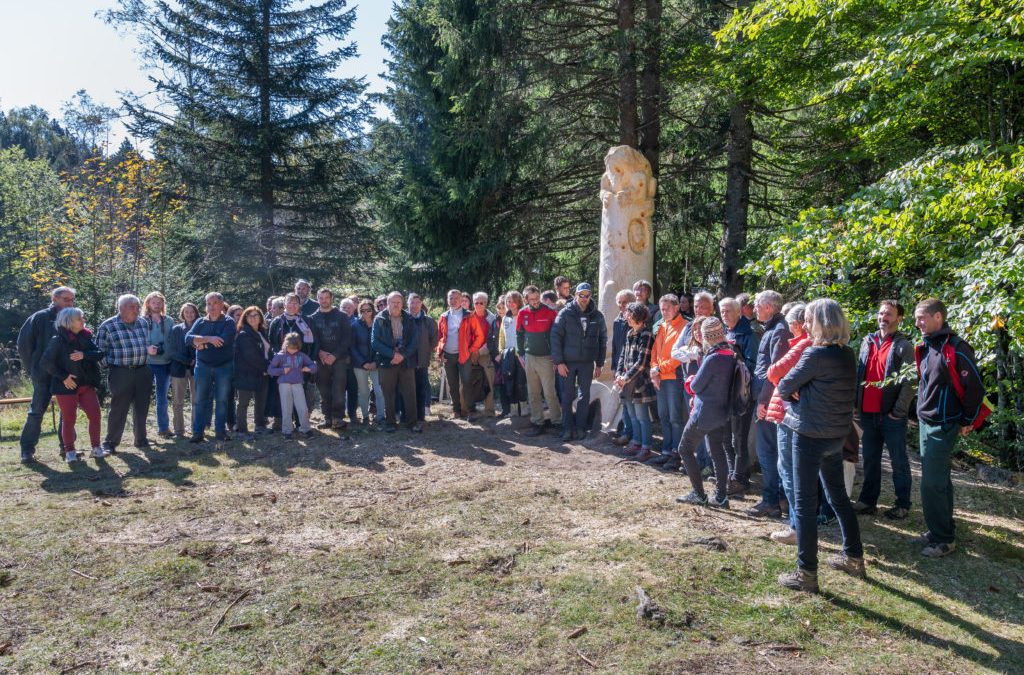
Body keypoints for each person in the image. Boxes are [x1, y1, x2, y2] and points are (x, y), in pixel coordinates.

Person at [776, 298, 863, 593]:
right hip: (836, 435)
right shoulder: (847, 354)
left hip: (810, 435)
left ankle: (807, 574)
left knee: (804, 503)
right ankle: (854, 557)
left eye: (809, 319)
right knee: (838, 496)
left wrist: (802, 393)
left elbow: (785, 385)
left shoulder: (815, 355)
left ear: (820, 323)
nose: (806, 325)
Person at [913, 298, 983, 558]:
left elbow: (975, 388)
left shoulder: (957, 348)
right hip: (925, 421)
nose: (917, 323)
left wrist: (967, 420)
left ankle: (944, 540)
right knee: (938, 480)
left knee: (932, 483)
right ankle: (940, 529)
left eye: (922, 317)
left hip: (943, 424)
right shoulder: (927, 346)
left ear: (938, 317)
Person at [849, 300, 916, 520]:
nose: (883, 317)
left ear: (899, 318)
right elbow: (861, 374)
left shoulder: (903, 345)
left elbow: (911, 381)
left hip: (891, 415)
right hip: (867, 413)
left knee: (898, 460)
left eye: (888, 314)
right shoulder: (868, 341)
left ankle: (902, 504)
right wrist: (856, 405)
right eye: (881, 313)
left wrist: (898, 411)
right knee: (869, 459)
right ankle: (868, 501)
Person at [674, 317, 735, 508]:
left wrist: (691, 379)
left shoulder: (713, 357)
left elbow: (696, 385)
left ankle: (699, 494)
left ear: (709, 336)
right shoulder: (730, 353)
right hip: (721, 412)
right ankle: (721, 497)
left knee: (684, 448)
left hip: (704, 412)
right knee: (717, 452)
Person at [766, 303, 810, 546]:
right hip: (788, 411)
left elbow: (774, 372)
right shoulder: (804, 345)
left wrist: (784, 381)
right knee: (791, 471)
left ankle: (796, 527)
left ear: (797, 325)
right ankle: (798, 523)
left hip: (788, 414)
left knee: (790, 471)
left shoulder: (803, 345)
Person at [17, 286, 75, 462]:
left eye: (72, 300)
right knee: (36, 411)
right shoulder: (39, 318)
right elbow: (23, 346)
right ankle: (27, 450)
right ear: (55, 299)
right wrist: (32, 369)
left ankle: (67, 449)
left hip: (65, 375)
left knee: (67, 413)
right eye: (67, 299)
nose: (70, 303)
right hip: (42, 374)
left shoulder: (72, 318)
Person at [749, 290, 792, 518]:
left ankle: (772, 501)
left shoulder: (779, 331)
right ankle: (776, 499)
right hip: (766, 400)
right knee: (767, 451)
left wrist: (763, 401)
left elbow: (774, 371)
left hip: (770, 403)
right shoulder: (772, 329)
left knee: (768, 451)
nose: (754, 309)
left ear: (768, 307)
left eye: (757, 305)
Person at [42, 307, 105, 462]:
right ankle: (69, 452)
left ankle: (96, 448)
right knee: (69, 419)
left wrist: (84, 355)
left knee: (95, 416)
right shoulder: (57, 340)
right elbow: (46, 362)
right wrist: (63, 377)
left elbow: (99, 354)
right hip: (66, 387)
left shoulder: (86, 336)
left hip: (86, 385)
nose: (84, 320)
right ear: (69, 322)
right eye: (80, 318)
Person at [96, 294, 152, 454]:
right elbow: (100, 352)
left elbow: (146, 344)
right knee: (119, 408)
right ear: (121, 308)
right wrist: (113, 367)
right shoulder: (108, 326)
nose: (136, 310)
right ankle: (111, 442)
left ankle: (141, 439)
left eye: (137, 306)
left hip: (143, 370)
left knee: (142, 407)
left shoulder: (143, 323)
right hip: (121, 373)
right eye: (132, 307)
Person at [551, 282, 607, 441]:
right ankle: (567, 428)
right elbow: (555, 337)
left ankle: (581, 428)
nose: (584, 298)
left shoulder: (597, 315)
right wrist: (559, 362)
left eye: (587, 295)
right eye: (581, 295)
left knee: (584, 396)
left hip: (587, 363)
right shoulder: (564, 313)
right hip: (567, 362)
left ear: (590, 296)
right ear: (576, 295)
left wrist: (600, 363)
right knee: (567, 395)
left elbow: (603, 339)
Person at [185, 292, 236, 443]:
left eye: (215, 303)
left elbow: (224, 341)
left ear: (221, 305)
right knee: (200, 399)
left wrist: (201, 343)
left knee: (221, 400)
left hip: (224, 367)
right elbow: (188, 338)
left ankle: (220, 432)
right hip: (203, 366)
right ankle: (197, 433)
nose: (211, 307)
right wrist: (210, 339)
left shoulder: (228, 322)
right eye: (209, 304)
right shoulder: (200, 322)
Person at [719, 297, 758, 494]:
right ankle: (731, 474)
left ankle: (741, 479)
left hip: (741, 394)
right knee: (726, 437)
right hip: (724, 393)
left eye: (728, 311)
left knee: (739, 439)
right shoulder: (725, 332)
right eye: (722, 311)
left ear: (738, 312)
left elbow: (753, 365)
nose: (725, 315)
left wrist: (734, 361)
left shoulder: (748, 334)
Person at [647, 295, 688, 470]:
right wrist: (654, 370)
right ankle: (665, 451)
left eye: (667, 309)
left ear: (677, 307)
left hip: (674, 378)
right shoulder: (662, 326)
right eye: (662, 309)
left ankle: (676, 454)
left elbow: (678, 357)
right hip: (660, 378)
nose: (664, 312)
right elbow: (655, 352)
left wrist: (659, 369)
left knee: (675, 418)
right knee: (663, 416)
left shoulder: (685, 326)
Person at [372, 291, 422, 433]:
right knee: (388, 394)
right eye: (393, 302)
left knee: (409, 393)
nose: (395, 305)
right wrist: (392, 354)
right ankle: (390, 423)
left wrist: (402, 355)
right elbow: (375, 342)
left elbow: (414, 341)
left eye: (398, 302)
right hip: (387, 362)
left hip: (405, 362)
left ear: (402, 304)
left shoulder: (409, 318)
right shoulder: (379, 319)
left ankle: (412, 423)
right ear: (387, 303)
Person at [517, 285, 561, 436]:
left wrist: (556, 357)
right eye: (532, 299)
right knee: (533, 392)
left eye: (537, 298)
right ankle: (538, 422)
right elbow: (519, 334)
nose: (535, 301)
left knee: (549, 392)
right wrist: (521, 354)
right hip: (529, 357)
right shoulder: (522, 313)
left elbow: (555, 336)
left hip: (546, 358)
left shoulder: (549, 312)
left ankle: (557, 422)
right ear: (526, 299)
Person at [615, 303, 657, 459]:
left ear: (638, 316)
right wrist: (619, 374)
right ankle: (636, 442)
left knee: (642, 416)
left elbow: (642, 362)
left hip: (640, 383)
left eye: (629, 314)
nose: (626, 317)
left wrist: (625, 378)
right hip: (626, 383)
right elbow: (622, 356)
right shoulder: (629, 333)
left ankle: (646, 447)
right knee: (632, 415)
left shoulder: (646, 334)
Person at [309, 288, 352, 430]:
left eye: (326, 297)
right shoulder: (313, 318)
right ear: (317, 299)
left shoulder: (342, 316)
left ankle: (337, 418)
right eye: (321, 298)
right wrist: (320, 353)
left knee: (338, 390)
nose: (324, 300)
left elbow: (347, 339)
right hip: (321, 360)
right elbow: (312, 340)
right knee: (324, 391)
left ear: (331, 298)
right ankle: (327, 418)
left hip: (339, 359)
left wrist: (334, 355)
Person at [269, 293, 318, 415]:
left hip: (301, 364)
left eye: (295, 303)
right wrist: (279, 358)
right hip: (282, 364)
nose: (292, 305)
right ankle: (281, 420)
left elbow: (315, 342)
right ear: (284, 304)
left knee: (301, 392)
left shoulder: (307, 321)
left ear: (299, 305)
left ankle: (300, 421)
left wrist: (310, 361)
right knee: (281, 392)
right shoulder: (276, 321)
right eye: (289, 302)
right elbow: (271, 342)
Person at [267, 333, 317, 439]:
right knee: (286, 407)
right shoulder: (280, 356)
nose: (293, 351)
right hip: (284, 384)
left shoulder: (301, 355)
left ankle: (305, 428)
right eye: (290, 348)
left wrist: (309, 368)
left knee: (302, 407)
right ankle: (287, 431)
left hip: (298, 384)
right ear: (286, 345)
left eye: (295, 349)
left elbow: (313, 365)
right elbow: (270, 370)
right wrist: (282, 371)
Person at [234, 306, 272, 438]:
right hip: (247, 373)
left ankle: (260, 426)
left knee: (261, 401)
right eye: (249, 316)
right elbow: (251, 356)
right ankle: (242, 430)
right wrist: (267, 368)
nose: (253, 318)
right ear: (245, 319)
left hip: (262, 373)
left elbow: (268, 352)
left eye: (256, 315)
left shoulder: (262, 332)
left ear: (261, 317)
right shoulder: (244, 335)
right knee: (243, 403)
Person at [142, 292, 176, 439]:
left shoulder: (168, 321)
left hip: (165, 363)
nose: (156, 305)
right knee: (143, 397)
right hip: (147, 363)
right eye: (153, 302)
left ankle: (163, 428)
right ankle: (140, 430)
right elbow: (136, 341)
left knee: (162, 397)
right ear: (148, 304)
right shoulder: (142, 321)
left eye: (159, 302)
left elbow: (174, 340)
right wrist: (147, 349)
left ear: (163, 304)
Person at [436, 289, 473, 419]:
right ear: (447, 300)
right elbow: (439, 336)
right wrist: (440, 353)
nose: (453, 301)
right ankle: (456, 410)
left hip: (464, 355)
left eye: (456, 298)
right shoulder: (444, 316)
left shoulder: (469, 315)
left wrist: (471, 350)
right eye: (450, 298)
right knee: (452, 384)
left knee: (467, 382)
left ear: (461, 299)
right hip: (448, 355)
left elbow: (478, 335)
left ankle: (469, 411)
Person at [351, 299, 384, 425]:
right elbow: (352, 347)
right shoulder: (355, 325)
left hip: (377, 363)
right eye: (362, 310)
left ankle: (381, 417)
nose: (366, 313)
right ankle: (365, 416)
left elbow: (382, 345)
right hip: (360, 365)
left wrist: (375, 362)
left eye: (368, 310)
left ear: (373, 310)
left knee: (379, 390)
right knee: (364, 392)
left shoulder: (379, 323)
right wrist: (363, 363)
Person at [610, 289, 637, 445]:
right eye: (619, 302)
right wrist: (614, 366)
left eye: (624, 302)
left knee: (633, 403)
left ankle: (633, 435)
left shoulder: (637, 321)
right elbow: (615, 346)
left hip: (632, 369)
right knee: (624, 401)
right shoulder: (617, 321)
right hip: (620, 367)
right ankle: (627, 432)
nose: (621, 305)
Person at [168, 303, 199, 438]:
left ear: (196, 313)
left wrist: (195, 361)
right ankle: (179, 431)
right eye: (186, 312)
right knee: (178, 401)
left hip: (197, 369)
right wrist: (188, 361)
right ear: (182, 314)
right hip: (179, 369)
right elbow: (171, 351)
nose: (189, 314)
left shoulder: (201, 328)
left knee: (196, 400)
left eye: (192, 312)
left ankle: (196, 428)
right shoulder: (176, 330)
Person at [467, 292, 497, 419]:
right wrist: (471, 352)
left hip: (485, 353)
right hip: (469, 354)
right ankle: (466, 410)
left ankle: (489, 410)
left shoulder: (492, 319)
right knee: (466, 382)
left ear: (486, 303)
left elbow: (492, 340)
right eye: (476, 302)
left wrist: (479, 352)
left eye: (481, 302)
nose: (478, 305)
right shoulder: (467, 317)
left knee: (489, 381)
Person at [409, 293, 438, 422]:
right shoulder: (403, 319)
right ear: (408, 303)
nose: (414, 305)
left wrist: (425, 350)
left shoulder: (428, 321)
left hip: (422, 358)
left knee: (423, 383)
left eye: (417, 302)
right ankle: (410, 410)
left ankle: (425, 407)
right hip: (406, 360)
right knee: (408, 385)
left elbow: (434, 339)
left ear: (421, 304)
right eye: (412, 302)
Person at [497, 290, 526, 416]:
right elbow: (502, 336)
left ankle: (524, 407)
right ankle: (514, 409)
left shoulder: (524, 314)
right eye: (508, 301)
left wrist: (523, 352)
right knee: (510, 382)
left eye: (513, 301)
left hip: (521, 355)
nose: (511, 303)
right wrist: (501, 351)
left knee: (521, 382)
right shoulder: (505, 318)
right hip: (508, 355)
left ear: (519, 301)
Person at [339, 298, 360, 424]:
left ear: (354, 309)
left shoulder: (358, 323)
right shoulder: (336, 321)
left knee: (353, 389)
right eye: (344, 307)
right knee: (339, 389)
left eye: (349, 307)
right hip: (339, 361)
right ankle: (339, 415)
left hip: (354, 361)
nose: (346, 309)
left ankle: (352, 414)